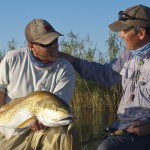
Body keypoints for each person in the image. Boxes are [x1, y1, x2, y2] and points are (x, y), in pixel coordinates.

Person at [59, 4, 150, 150]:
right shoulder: (127, 55)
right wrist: (74, 61)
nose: (120, 35)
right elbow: (105, 74)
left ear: (141, 33)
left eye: (125, 30)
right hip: (125, 127)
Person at [0, 19, 80, 150]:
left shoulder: (65, 69)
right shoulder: (12, 59)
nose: (54, 46)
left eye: (55, 41)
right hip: (10, 133)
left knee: (66, 132)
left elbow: (57, 106)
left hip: (44, 131)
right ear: (31, 45)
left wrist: (39, 120)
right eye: (47, 44)